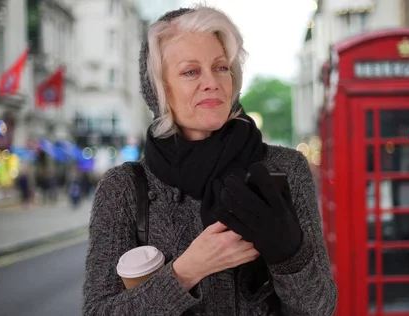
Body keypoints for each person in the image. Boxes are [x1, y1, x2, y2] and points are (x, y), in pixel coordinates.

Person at [83, 5, 337, 316]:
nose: (212, 82)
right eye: (191, 71)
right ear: (160, 89)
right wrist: (186, 271)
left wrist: (289, 254)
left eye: (220, 67)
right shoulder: (123, 188)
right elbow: (98, 311)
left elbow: (321, 306)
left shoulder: (286, 168)